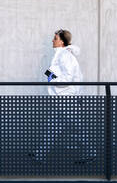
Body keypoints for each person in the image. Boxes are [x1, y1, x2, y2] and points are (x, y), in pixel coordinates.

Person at [29, 29, 96, 164]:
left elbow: (67, 78)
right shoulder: (60, 55)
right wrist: (50, 75)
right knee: (53, 127)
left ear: (62, 41)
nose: (52, 41)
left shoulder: (65, 55)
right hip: (63, 99)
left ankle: (91, 153)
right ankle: (40, 155)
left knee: (77, 127)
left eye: (55, 38)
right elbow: (50, 73)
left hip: (67, 99)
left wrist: (52, 79)